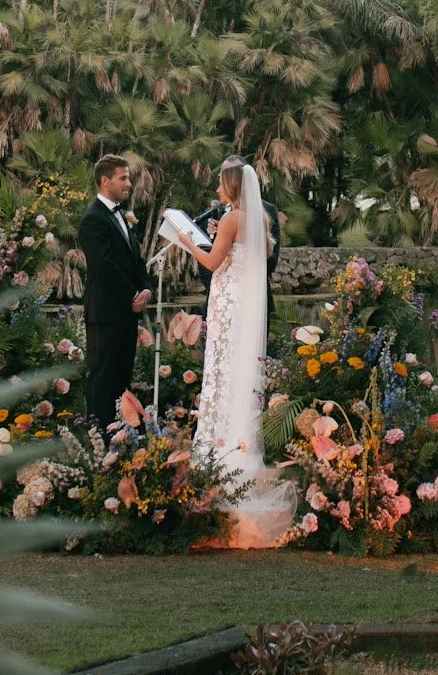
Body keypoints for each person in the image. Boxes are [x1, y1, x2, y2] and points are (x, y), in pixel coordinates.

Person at [178, 156, 298, 548]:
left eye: (219, 184)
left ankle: (217, 445)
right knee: (236, 374)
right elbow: (248, 260)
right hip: (243, 306)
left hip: (227, 307)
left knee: (220, 370)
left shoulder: (231, 219)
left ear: (230, 186)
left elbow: (214, 262)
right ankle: (239, 442)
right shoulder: (259, 221)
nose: (215, 191)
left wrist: (187, 242)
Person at [77, 155, 152, 426]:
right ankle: (99, 437)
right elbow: (104, 266)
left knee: (122, 377)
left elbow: (136, 259)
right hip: (105, 314)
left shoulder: (123, 215)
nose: (129, 183)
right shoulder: (92, 220)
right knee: (102, 377)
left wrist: (146, 289)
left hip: (126, 314)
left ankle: (123, 434)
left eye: (128, 177)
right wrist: (132, 295)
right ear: (104, 180)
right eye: (123, 177)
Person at [191, 189, 282, 347]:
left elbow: (271, 261)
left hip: (255, 300)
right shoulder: (213, 212)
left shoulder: (267, 210)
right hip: (219, 302)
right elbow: (207, 257)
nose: (218, 188)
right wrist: (219, 289)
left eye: (222, 181)